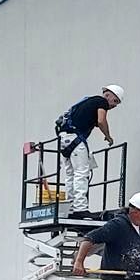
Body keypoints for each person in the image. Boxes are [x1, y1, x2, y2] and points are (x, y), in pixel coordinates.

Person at [54, 84, 125, 219]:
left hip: (64, 140)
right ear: (107, 94)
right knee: (81, 172)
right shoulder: (101, 101)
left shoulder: (86, 102)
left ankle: (70, 207)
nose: (114, 105)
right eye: (115, 101)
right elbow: (101, 120)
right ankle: (80, 208)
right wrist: (108, 136)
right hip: (76, 140)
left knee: (70, 174)